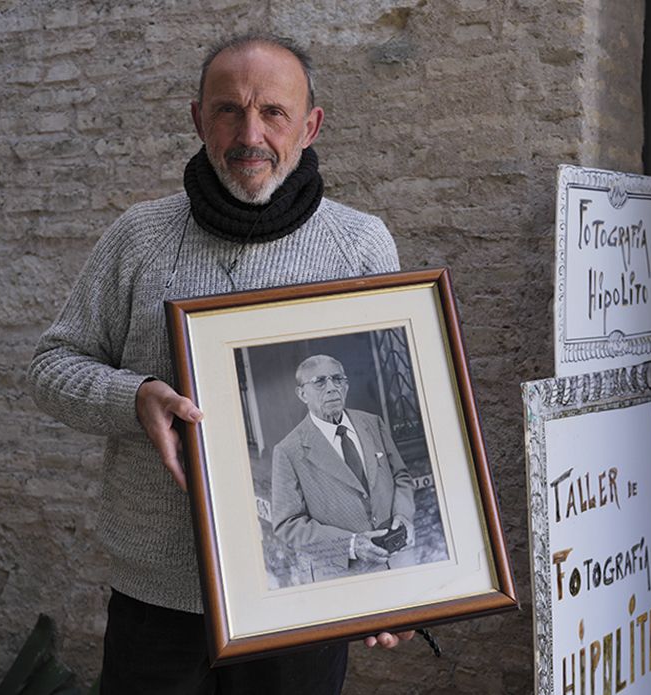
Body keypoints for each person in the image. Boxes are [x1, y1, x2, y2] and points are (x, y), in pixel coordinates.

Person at [28, 32, 411, 695]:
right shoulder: (138, 236)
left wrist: (387, 585)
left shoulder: (360, 245)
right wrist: (136, 395)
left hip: (304, 592)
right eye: (228, 109)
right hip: (160, 594)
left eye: (272, 112)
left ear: (310, 125)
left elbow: (396, 426)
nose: (249, 132)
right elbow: (52, 365)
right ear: (198, 119)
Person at [271, 355, 416, 582]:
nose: (331, 388)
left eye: (338, 379)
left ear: (346, 386)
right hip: (342, 576)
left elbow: (401, 476)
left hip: (399, 563)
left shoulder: (372, 423)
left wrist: (404, 515)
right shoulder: (288, 451)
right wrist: (350, 545)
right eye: (319, 382)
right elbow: (287, 524)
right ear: (302, 394)